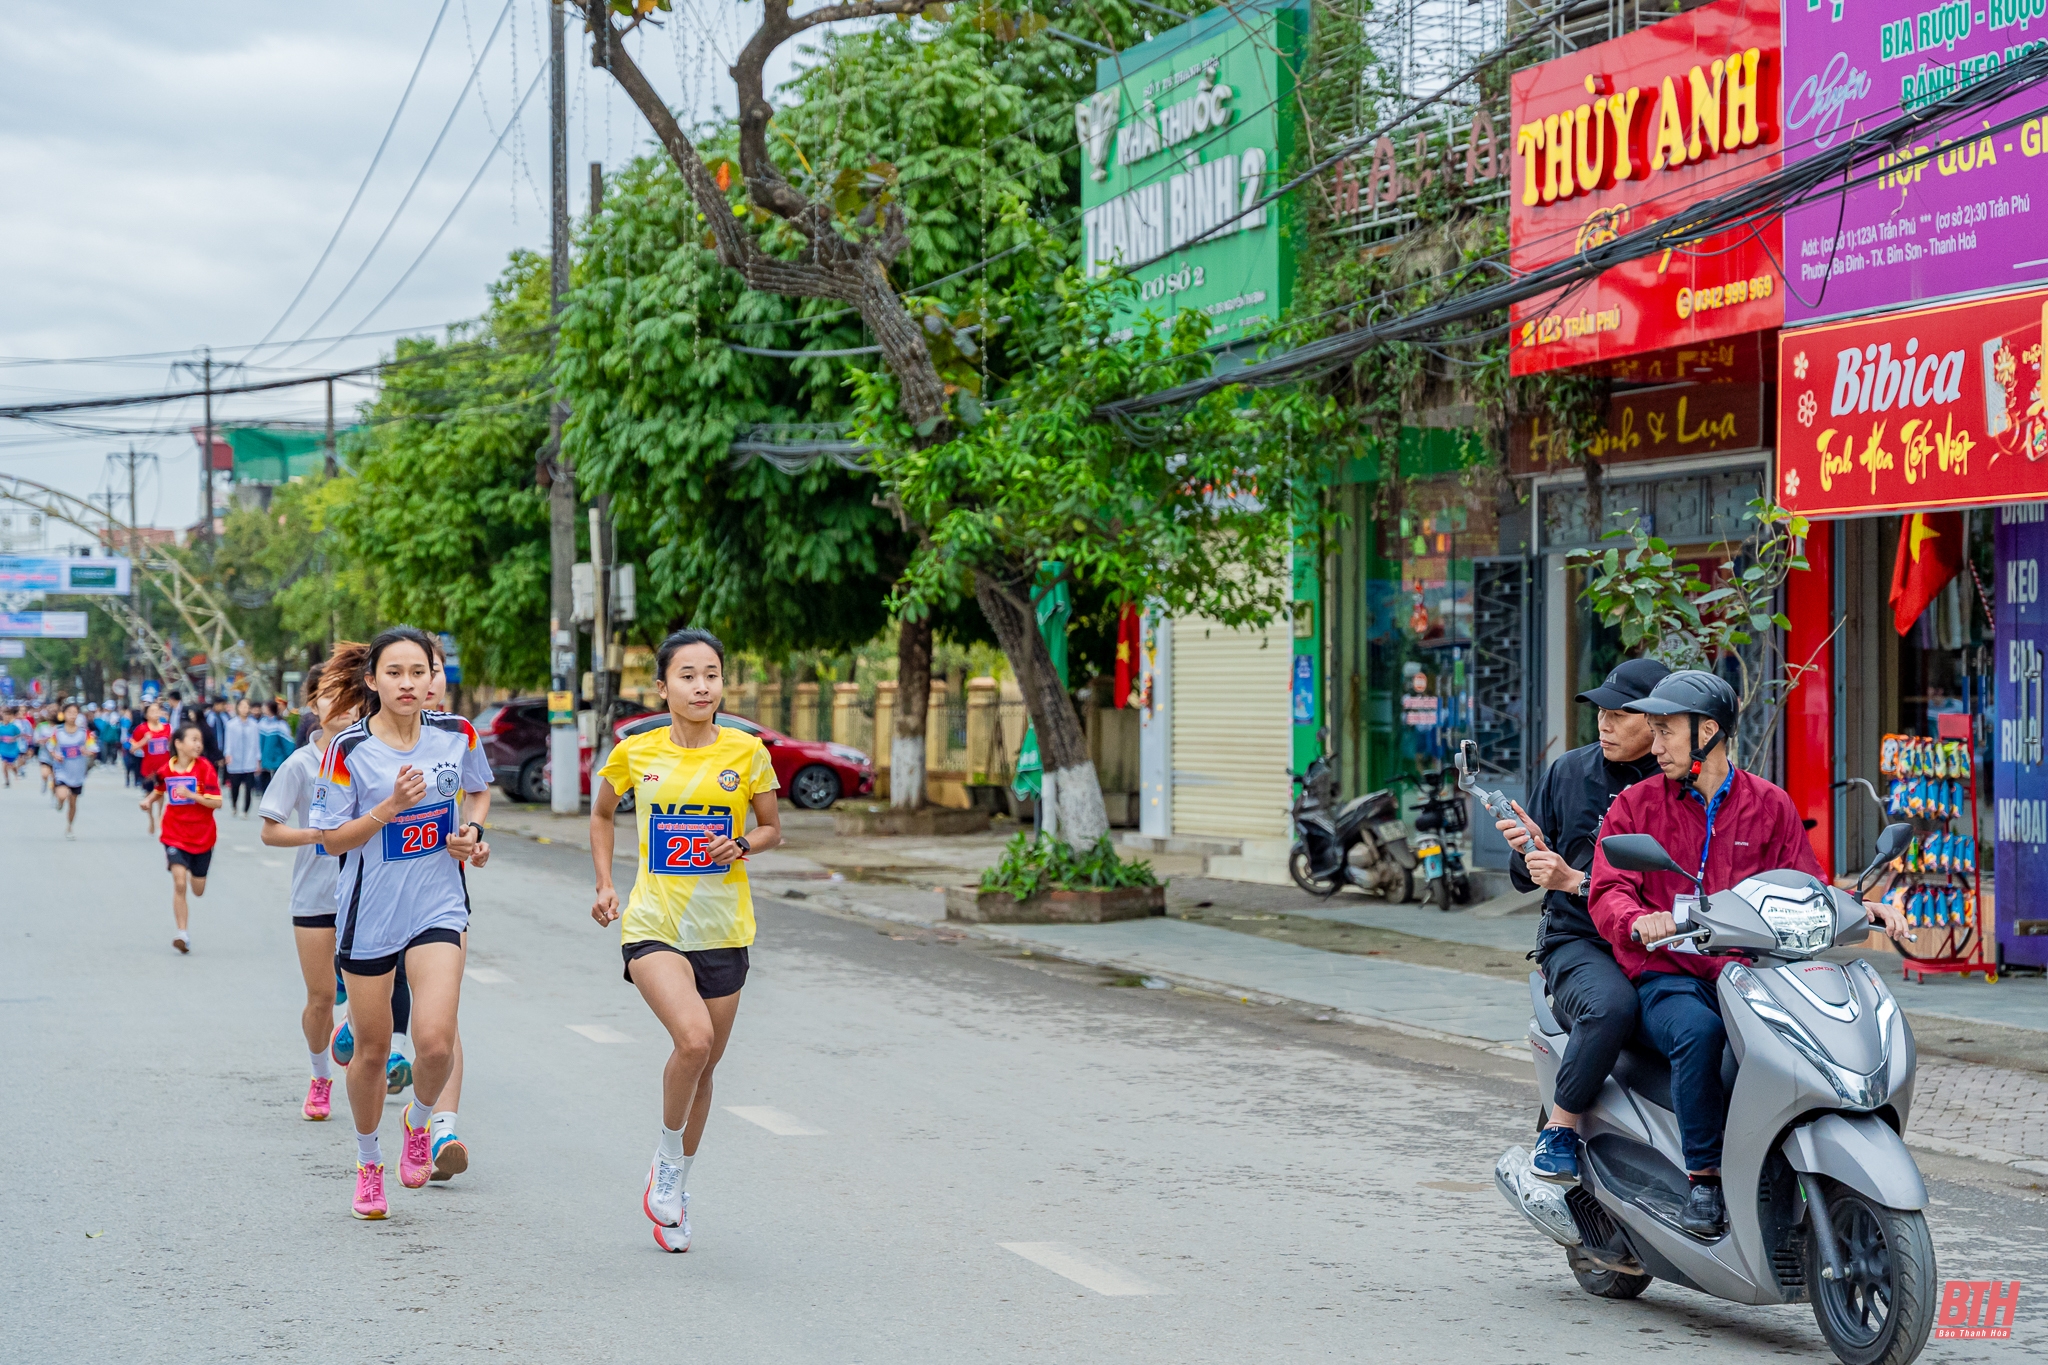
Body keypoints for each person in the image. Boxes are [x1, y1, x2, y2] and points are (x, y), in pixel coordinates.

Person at [1589, 670, 1911, 1237]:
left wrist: (1858, 908)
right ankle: (1705, 1181)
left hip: (1752, 971)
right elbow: (1608, 888)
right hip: (1672, 973)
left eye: (1666, 732)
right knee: (1699, 1034)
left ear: (1707, 732)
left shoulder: (1770, 805)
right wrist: (1640, 921)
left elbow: (1803, 882)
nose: (1655, 744)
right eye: (1655, 732)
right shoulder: (1637, 806)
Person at [590, 628, 782, 1252]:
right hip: (653, 923)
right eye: (688, 676)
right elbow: (600, 813)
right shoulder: (635, 752)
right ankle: (667, 1160)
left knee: (705, 1067)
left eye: (712, 675)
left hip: (724, 929)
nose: (702, 686)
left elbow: (773, 826)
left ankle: (674, 1186)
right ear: (663, 686)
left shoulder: (747, 752)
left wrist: (745, 844)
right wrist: (604, 882)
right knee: (692, 1039)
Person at [309, 626, 492, 1221]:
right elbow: (331, 839)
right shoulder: (350, 751)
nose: (409, 683)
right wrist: (388, 808)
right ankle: (368, 1163)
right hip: (370, 917)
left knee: (435, 1041)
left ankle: (419, 1121)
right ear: (372, 680)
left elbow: (477, 795)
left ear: (433, 677)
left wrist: (472, 835)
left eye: (420, 671)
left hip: (439, 906)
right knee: (372, 1050)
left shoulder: (456, 734)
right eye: (395, 672)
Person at [1494, 658, 1668, 1184]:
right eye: (1601, 713)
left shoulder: (1680, 782)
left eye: (1619, 715)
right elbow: (1526, 879)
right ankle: (1561, 1127)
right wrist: (1530, 854)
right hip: (1580, 939)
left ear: (1659, 722)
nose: (1604, 725)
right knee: (1612, 1007)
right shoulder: (1569, 772)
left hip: (1665, 939)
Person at [260, 648, 364, 1122]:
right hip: (315, 897)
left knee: (373, 994)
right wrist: (321, 836)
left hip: (368, 893)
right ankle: (320, 1074)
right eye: (329, 695)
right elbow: (270, 830)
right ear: (313, 705)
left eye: (350, 695)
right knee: (322, 997)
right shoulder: (301, 764)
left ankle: (357, 1033)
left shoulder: (374, 756)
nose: (341, 704)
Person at [159, 720, 223, 954]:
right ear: (179, 743)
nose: (198, 744)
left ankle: (197, 875)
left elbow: (217, 802)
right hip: (174, 833)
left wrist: (193, 795)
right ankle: (182, 934)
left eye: (200, 740)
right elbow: (158, 787)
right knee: (179, 882)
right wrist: (148, 801)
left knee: (198, 889)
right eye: (193, 739)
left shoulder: (205, 768)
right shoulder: (167, 769)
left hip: (202, 837)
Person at [47, 702, 96, 839]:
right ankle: (60, 801)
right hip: (62, 769)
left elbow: (93, 748)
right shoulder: (58, 731)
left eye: (75, 713)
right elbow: (50, 747)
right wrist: (55, 755)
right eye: (69, 713)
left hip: (78, 772)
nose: (72, 716)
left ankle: (69, 827)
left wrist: (86, 751)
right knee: (63, 794)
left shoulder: (84, 732)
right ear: (63, 714)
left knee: (73, 802)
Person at [132, 700, 172, 835]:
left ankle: (159, 815)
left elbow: (173, 744)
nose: (155, 714)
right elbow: (132, 748)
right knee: (149, 794)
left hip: (164, 767)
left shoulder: (167, 728)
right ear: (147, 715)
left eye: (157, 711)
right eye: (152, 711)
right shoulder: (142, 729)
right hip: (149, 768)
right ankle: (151, 818)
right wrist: (144, 740)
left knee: (160, 793)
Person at [224, 698, 262, 818]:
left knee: (249, 787)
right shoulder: (231, 725)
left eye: (247, 707)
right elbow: (228, 741)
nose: (244, 709)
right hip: (235, 759)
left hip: (249, 760)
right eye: (242, 706)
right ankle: (234, 805)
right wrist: (227, 754)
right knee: (234, 785)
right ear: (238, 708)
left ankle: (245, 810)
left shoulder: (254, 725)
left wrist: (258, 759)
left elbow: (256, 743)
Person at [258, 700, 295, 794]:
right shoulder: (262, 722)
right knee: (265, 782)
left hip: (277, 758)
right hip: (265, 757)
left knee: (277, 782)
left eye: (265, 706)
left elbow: (288, 743)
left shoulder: (280, 724)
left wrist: (290, 756)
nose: (263, 708)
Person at [0, 708, 22, 787]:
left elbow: (19, 734)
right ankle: (7, 781)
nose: (7, 717)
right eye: (5, 715)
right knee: (4, 765)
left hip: (12, 749)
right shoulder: (0, 727)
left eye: (9, 716)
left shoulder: (13, 727)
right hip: (3, 749)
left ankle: (15, 771)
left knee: (10, 765)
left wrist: (13, 739)